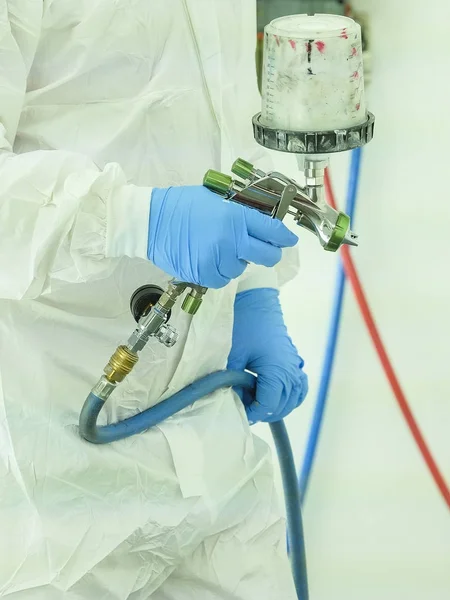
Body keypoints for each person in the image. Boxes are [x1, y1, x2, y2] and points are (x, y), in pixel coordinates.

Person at [0, 2, 308, 598]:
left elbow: (233, 120)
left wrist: (255, 295)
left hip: (210, 462)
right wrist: (134, 219)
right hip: (51, 481)